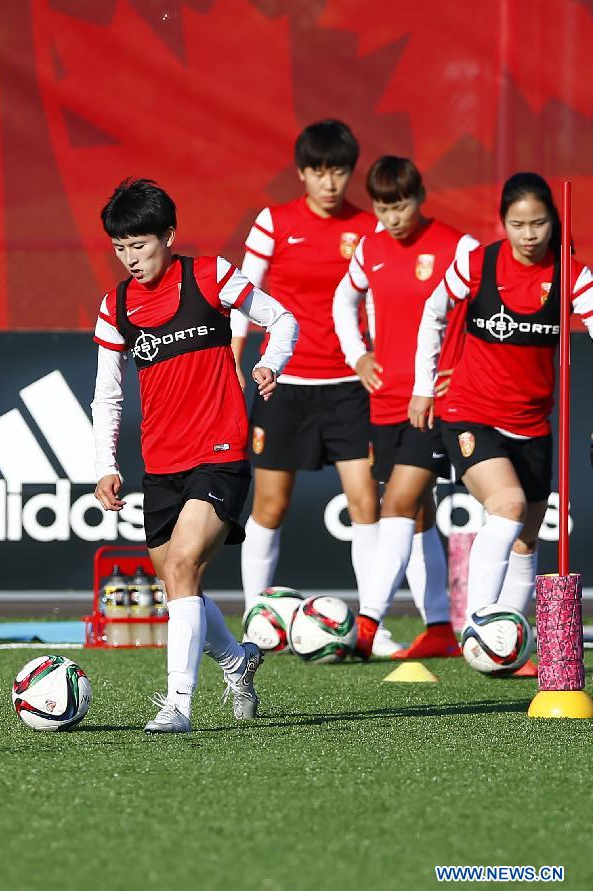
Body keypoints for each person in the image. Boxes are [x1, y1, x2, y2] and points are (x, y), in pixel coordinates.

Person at [91, 178, 298, 733]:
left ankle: (178, 706)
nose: (131, 258)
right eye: (120, 248)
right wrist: (105, 464)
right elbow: (108, 393)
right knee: (179, 585)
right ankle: (237, 659)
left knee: (182, 567)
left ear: (169, 235)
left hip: (220, 451)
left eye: (141, 245)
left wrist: (271, 364)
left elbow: (282, 319)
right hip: (161, 465)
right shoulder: (116, 306)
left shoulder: (209, 275)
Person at [409, 171, 593, 674]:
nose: (529, 235)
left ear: (554, 222)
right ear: (503, 224)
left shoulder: (572, 274)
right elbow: (433, 313)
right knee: (507, 506)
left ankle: (512, 640)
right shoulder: (476, 264)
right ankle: (479, 625)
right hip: (471, 411)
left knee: (526, 538)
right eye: (518, 224)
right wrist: (425, 384)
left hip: (532, 422)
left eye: (538, 223)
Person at [231, 119, 402, 657]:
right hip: (283, 384)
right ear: (302, 172)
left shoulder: (368, 226)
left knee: (365, 501)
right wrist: (238, 357)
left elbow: (377, 296)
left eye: (340, 172)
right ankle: (255, 620)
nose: (330, 183)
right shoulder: (274, 222)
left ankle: (372, 626)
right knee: (271, 505)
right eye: (319, 171)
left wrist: (381, 355)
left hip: (350, 387)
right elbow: (245, 291)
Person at [333, 156, 478, 659]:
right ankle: (439, 625)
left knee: (395, 504)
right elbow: (341, 301)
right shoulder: (369, 248)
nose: (393, 218)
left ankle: (367, 627)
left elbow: (489, 304)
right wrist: (358, 355)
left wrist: (462, 368)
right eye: (382, 207)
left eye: (401, 205)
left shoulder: (458, 247)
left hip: (436, 402)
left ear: (420, 197)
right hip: (387, 399)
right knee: (416, 514)